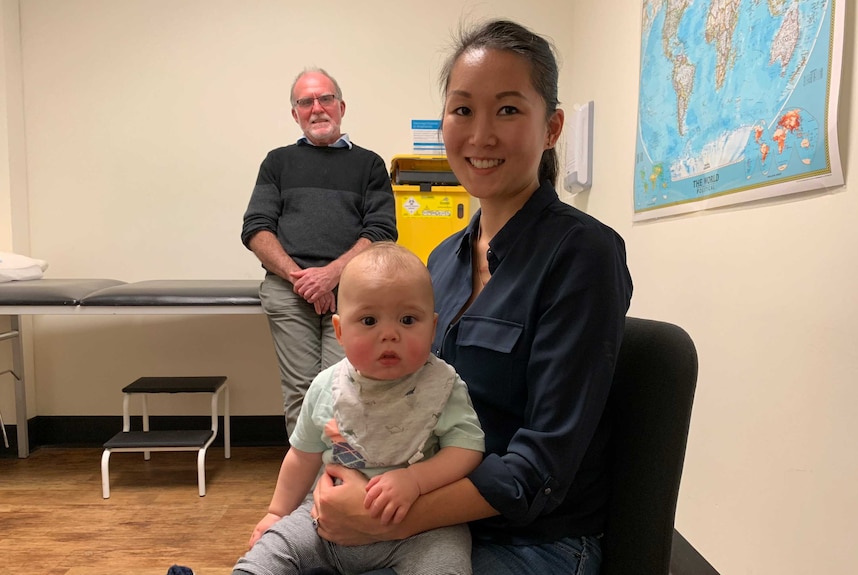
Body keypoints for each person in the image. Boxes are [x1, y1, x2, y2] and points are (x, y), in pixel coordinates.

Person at [308, 20, 633, 575]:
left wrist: (386, 518)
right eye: (462, 110)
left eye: (508, 110)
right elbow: (413, 393)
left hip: (533, 541)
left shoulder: (583, 255)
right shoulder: (440, 260)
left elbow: (540, 466)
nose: (480, 135)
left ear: (552, 127)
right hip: (432, 517)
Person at [233, 242, 486, 575]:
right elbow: (302, 456)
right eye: (369, 320)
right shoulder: (327, 387)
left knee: (447, 561)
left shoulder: (441, 386)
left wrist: (415, 481)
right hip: (325, 522)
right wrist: (276, 513)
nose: (390, 334)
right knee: (273, 550)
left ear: (433, 327)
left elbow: (467, 448)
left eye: (408, 320)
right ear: (339, 331)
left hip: (420, 528)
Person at [241, 68, 398, 437]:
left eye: (325, 98)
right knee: (302, 392)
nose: (317, 108)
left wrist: (331, 276)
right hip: (288, 290)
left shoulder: (370, 165)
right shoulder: (277, 162)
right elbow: (256, 228)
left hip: (351, 293)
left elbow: (381, 232)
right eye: (305, 102)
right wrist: (303, 279)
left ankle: (341, 478)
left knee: (344, 388)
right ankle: (311, 490)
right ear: (295, 114)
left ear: (341, 106)